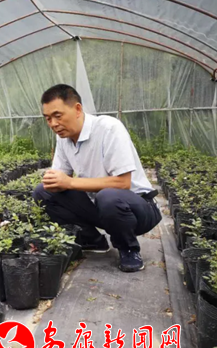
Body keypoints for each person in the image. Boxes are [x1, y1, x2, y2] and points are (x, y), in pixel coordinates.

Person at [32, 84, 162, 272]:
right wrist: (54, 181)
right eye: (48, 118)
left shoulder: (108, 128)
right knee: (43, 192)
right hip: (101, 208)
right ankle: (91, 239)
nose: (53, 124)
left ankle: (128, 249)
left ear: (77, 109)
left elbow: (123, 183)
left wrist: (69, 182)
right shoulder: (63, 138)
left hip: (138, 209)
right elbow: (61, 177)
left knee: (108, 196)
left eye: (57, 116)